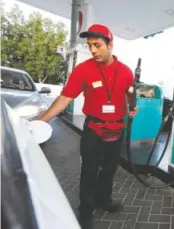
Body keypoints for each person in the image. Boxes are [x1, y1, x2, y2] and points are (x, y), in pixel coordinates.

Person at [36, 24, 138, 229]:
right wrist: (39, 121)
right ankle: (86, 209)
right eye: (90, 45)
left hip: (117, 129)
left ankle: (104, 200)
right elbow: (65, 97)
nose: (92, 50)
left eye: (97, 45)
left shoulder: (126, 72)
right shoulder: (83, 70)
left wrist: (131, 107)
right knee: (89, 170)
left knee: (109, 169)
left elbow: (128, 93)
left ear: (110, 44)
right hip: (93, 129)